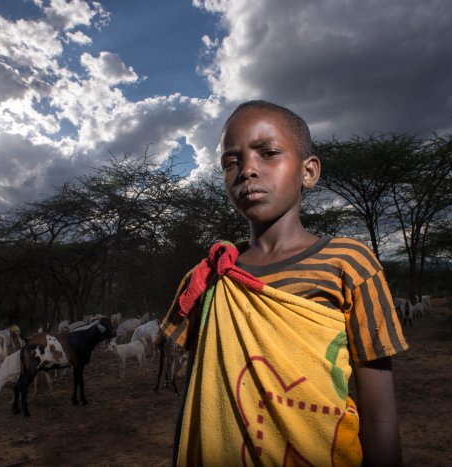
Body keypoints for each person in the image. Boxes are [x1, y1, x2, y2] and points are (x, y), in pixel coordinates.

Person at [160, 100, 409, 466]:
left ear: (309, 172)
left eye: (268, 153)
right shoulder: (210, 275)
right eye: (231, 163)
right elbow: (199, 393)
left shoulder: (348, 264)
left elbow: (381, 416)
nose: (247, 171)